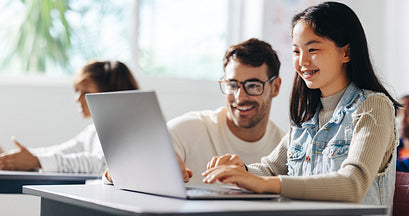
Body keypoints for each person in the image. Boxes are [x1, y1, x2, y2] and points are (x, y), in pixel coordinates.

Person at [202, 1, 401, 210]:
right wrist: (241, 170)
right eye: (296, 51)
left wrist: (266, 184)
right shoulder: (306, 117)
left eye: (312, 49)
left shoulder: (373, 107)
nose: (303, 61)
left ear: (346, 53)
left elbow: (352, 184)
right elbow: (271, 170)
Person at [102, 38, 286, 184]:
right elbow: (116, 171)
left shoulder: (286, 147)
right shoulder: (190, 128)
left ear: (275, 87)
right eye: (232, 85)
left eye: (253, 85)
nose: (240, 97)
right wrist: (124, 171)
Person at [0, 60, 139, 173]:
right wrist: (8, 157)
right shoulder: (93, 132)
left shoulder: (128, 131)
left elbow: (101, 164)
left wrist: (36, 162)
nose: (77, 98)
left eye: (85, 92)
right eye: (76, 91)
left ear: (109, 93)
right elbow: (62, 151)